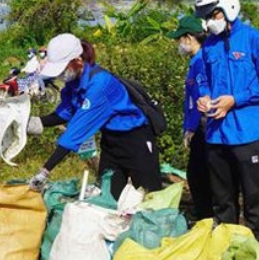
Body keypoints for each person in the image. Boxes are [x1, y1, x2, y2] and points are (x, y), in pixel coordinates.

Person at [26, 33, 162, 199]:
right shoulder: (74, 83)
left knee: (150, 198)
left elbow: (75, 132)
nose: (60, 75)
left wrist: (45, 171)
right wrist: (31, 123)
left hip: (136, 141)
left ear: (77, 61)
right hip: (111, 143)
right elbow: (64, 113)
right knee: (108, 199)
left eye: (62, 69)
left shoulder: (100, 84)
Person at [194, 0, 259, 243]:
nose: (210, 23)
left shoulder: (255, 39)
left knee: (254, 201)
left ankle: (258, 254)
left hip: (248, 134)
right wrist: (203, 96)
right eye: (206, 18)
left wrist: (236, 100)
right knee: (222, 202)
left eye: (214, 15)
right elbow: (203, 79)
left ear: (229, 9)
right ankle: (227, 250)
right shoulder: (208, 46)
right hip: (217, 136)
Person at [168, 14, 212, 220]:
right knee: (197, 174)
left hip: (204, 125)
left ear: (188, 38)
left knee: (199, 175)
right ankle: (204, 215)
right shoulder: (196, 61)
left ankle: (206, 217)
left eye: (179, 39)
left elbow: (200, 101)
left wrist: (192, 128)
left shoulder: (202, 61)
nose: (178, 44)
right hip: (197, 125)